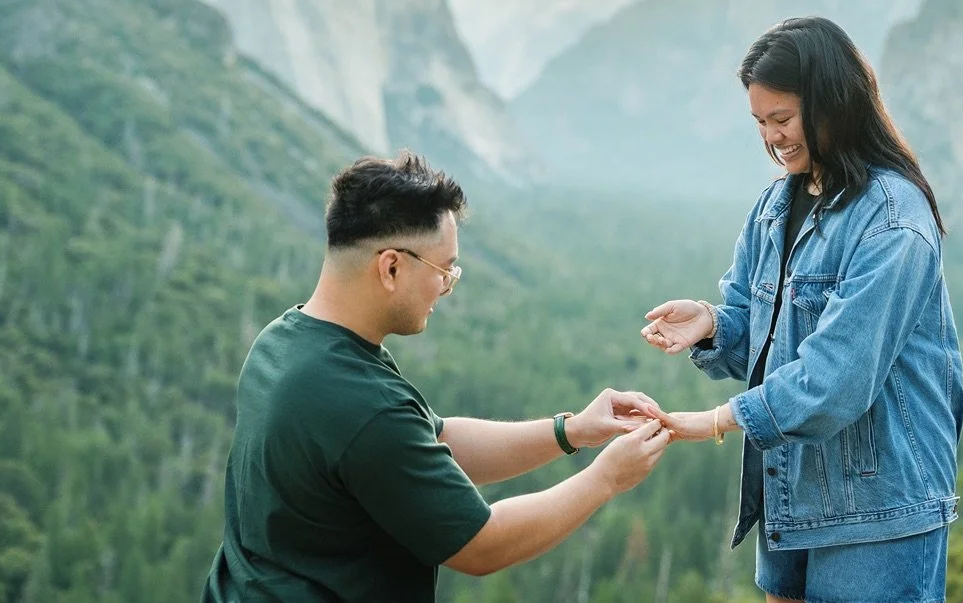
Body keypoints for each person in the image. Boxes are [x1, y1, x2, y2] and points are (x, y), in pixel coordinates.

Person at [203, 151, 671, 602]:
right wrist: (606, 478)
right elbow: (483, 545)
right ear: (390, 267)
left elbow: (431, 441)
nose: (447, 287)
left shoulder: (285, 340)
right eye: (444, 270)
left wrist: (571, 431)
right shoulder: (363, 405)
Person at [641, 16, 963, 603]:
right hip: (791, 494)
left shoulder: (894, 220)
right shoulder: (775, 204)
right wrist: (714, 323)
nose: (772, 138)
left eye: (782, 119)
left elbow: (837, 377)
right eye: (760, 123)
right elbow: (758, 333)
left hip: (879, 512)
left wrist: (717, 421)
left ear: (832, 104)